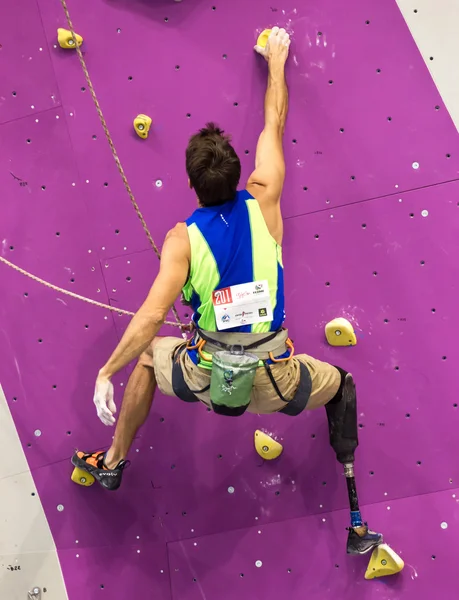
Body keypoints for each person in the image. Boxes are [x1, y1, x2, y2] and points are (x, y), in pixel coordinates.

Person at [72, 27, 382, 555]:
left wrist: (107, 371)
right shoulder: (265, 196)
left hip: (208, 375)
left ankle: (114, 460)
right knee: (342, 383)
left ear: (192, 185)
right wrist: (277, 62)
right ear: (241, 176)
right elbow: (274, 123)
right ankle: (353, 509)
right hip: (281, 382)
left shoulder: (182, 241)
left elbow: (150, 317)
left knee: (149, 356)